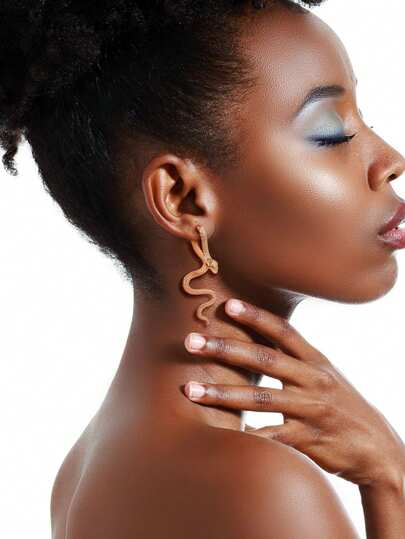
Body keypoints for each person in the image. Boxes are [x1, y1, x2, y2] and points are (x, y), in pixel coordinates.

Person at [2, 1, 405, 537]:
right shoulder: (258, 485)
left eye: (364, 120)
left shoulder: (84, 470)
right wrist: (392, 477)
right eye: (331, 133)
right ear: (183, 199)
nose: (391, 160)